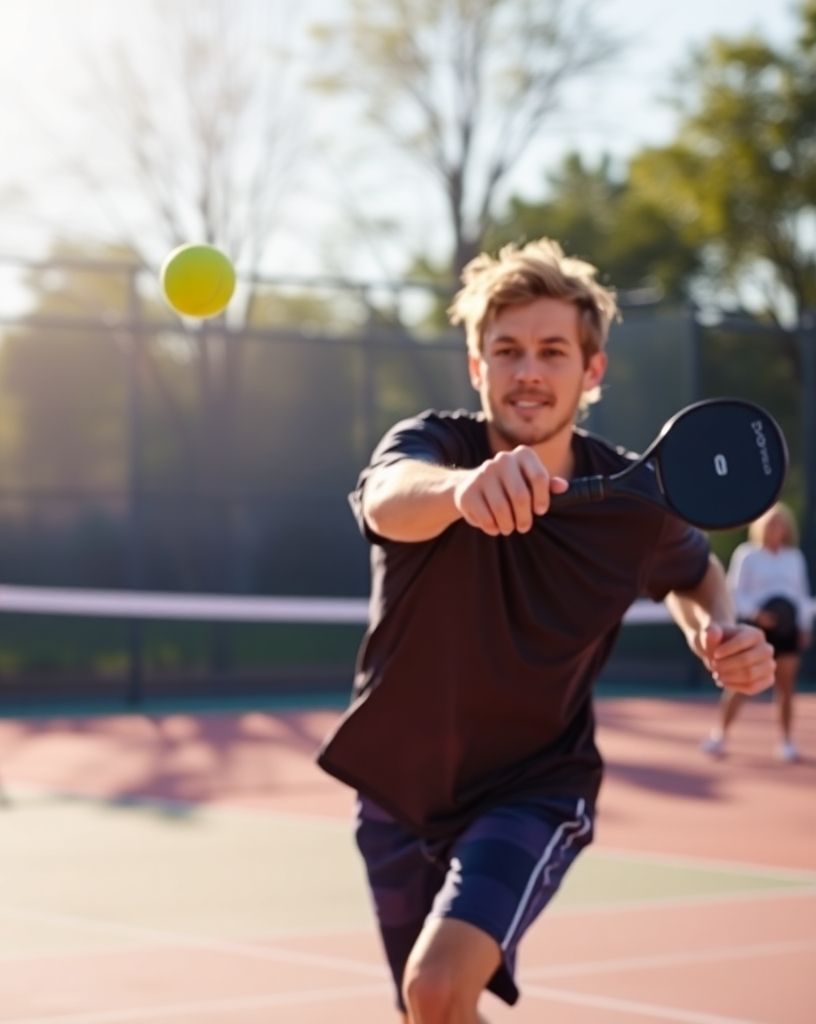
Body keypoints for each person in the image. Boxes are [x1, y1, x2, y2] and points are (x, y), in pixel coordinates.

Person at [316, 239, 775, 1024]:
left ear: (590, 371)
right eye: (508, 350)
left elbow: (694, 573)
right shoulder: (431, 450)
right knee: (427, 1008)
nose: (529, 370)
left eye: (552, 350)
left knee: (435, 984)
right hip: (397, 787)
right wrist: (464, 492)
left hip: (533, 786)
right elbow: (391, 497)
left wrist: (720, 631)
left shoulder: (635, 503)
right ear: (476, 367)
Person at [702, 502, 812, 762]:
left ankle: (786, 741)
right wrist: (757, 614)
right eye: (772, 523)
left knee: (786, 687)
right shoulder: (747, 555)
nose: (777, 528)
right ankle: (720, 735)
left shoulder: (794, 558)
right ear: (762, 526)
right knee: (740, 684)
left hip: (788, 630)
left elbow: (801, 595)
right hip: (756, 629)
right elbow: (735, 592)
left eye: (781, 523)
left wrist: (803, 626)